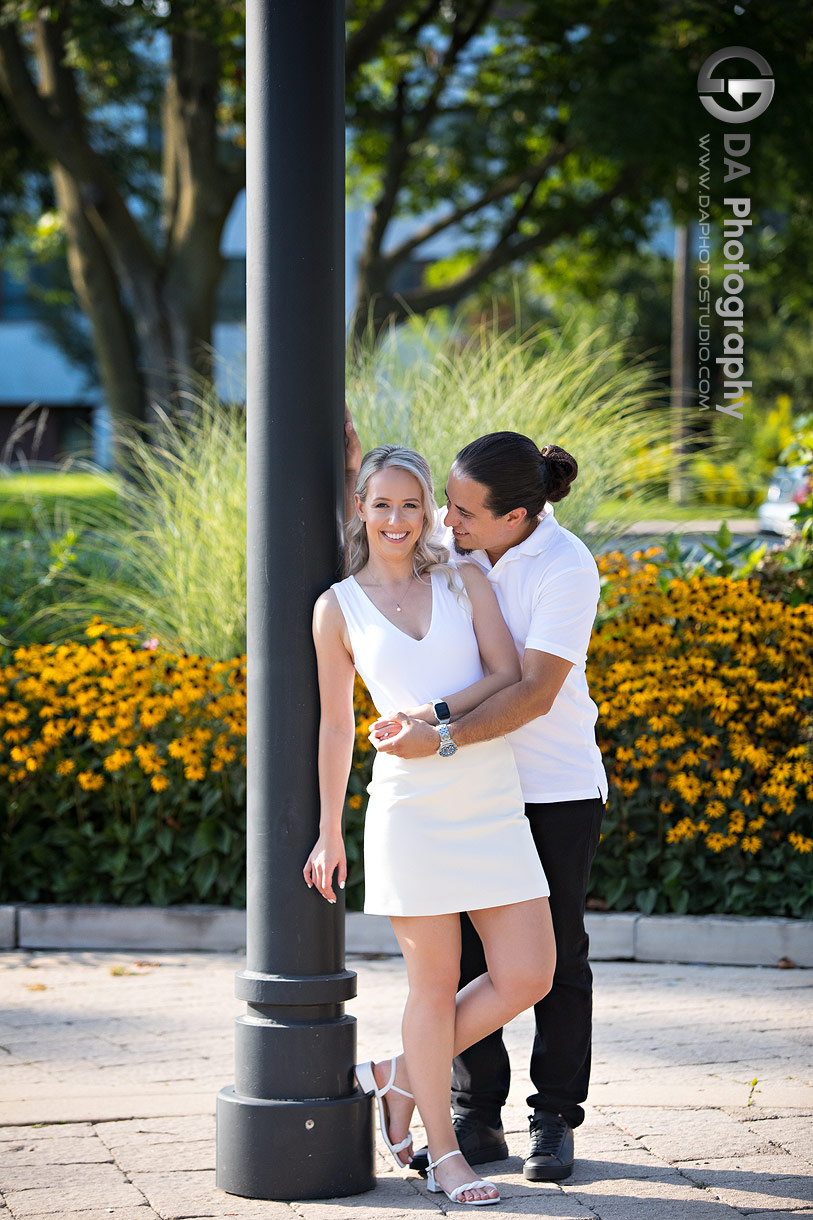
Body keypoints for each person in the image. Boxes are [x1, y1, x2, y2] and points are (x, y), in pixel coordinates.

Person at [345, 421, 608, 1183]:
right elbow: (374, 538)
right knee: (463, 960)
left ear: (514, 517)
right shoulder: (450, 542)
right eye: (447, 506)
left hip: (551, 785)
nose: (445, 522)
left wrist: (440, 736)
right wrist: (349, 467)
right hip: (464, 785)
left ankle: (552, 1116)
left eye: (462, 513)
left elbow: (531, 692)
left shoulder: (565, 565)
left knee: (555, 959)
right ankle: (472, 1112)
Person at [304, 443, 557, 1206]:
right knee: (432, 986)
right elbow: (335, 727)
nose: (396, 519)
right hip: (408, 810)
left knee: (528, 973)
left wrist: (431, 717)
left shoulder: (462, 578)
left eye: (410, 504)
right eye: (381, 504)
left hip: (487, 793)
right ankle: (444, 1158)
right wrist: (328, 830)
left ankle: (396, 1076)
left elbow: (507, 675)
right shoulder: (336, 607)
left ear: (428, 513)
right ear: (359, 509)